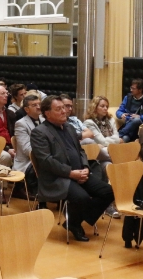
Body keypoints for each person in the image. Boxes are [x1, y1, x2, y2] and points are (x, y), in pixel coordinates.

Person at [30, 95, 115, 242]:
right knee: (82, 197)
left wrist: (85, 167)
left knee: (108, 192)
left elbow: (80, 151)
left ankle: (73, 220)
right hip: (57, 177)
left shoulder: (69, 127)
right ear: (47, 113)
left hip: (79, 173)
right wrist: (70, 173)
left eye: (64, 107)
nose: (64, 111)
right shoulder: (39, 132)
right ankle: (75, 223)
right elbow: (46, 161)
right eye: (59, 109)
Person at [12, 93, 41, 198]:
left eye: (39, 104)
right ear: (26, 109)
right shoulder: (21, 124)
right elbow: (27, 149)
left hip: (41, 156)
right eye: (34, 105)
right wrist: (45, 152)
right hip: (27, 161)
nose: (38, 107)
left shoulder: (45, 120)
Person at [83, 96, 122, 164]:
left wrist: (115, 140)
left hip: (112, 148)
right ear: (95, 107)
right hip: (99, 154)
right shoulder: (89, 123)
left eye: (107, 106)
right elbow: (102, 141)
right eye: (102, 106)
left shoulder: (111, 120)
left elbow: (116, 137)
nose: (105, 108)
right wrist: (117, 141)